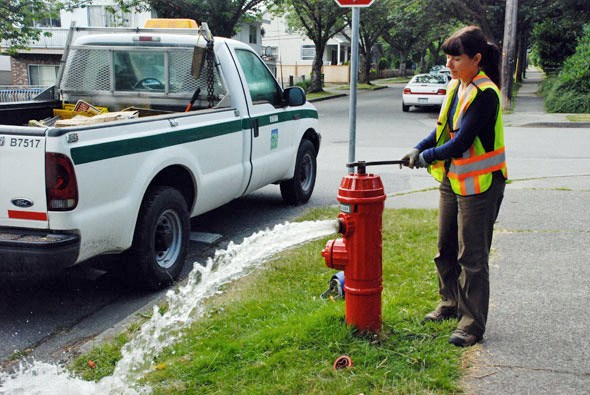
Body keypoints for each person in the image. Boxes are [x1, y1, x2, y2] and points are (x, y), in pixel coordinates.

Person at [400, 26, 507, 347]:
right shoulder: (455, 86)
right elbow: (442, 130)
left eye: (456, 58)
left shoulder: (485, 94)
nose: (449, 64)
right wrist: (419, 148)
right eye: (447, 57)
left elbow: (461, 142)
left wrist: (426, 157)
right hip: (453, 178)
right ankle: (450, 303)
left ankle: (472, 324)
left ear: (476, 59)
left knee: (472, 257)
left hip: (482, 184)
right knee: (445, 248)